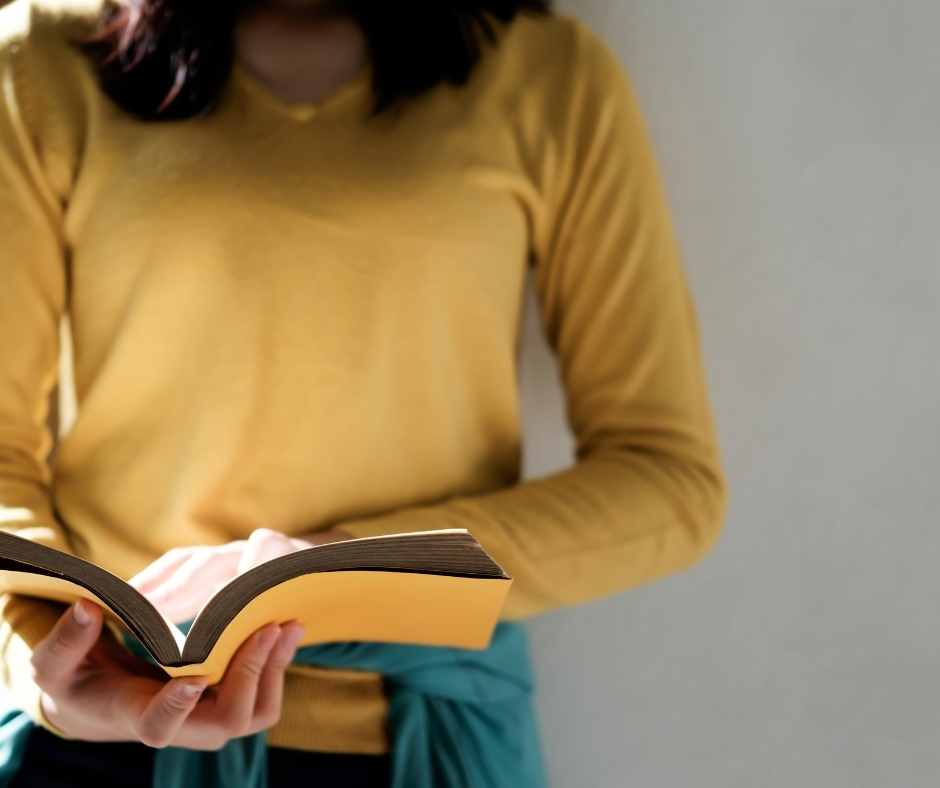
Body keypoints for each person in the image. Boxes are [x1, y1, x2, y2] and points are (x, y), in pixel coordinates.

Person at [0, 0, 728, 785]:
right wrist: (32, 657)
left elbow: (667, 481)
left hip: (422, 738)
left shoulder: (549, 74)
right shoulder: (41, 60)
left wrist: (333, 569)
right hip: (106, 735)